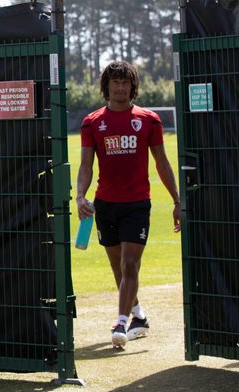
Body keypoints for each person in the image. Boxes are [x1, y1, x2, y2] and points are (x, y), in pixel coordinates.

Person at [75, 60, 181, 349]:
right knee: (118, 268)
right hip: (105, 205)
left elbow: (162, 162)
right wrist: (80, 196)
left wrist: (176, 200)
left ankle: (121, 322)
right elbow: (86, 165)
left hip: (137, 204)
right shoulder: (92, 122)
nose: (121, 88)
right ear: (106, 86)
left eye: (126, 83)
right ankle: (138, 316)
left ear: (133, 86)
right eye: (116, 82)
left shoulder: (149, 120)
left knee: (130, 263)